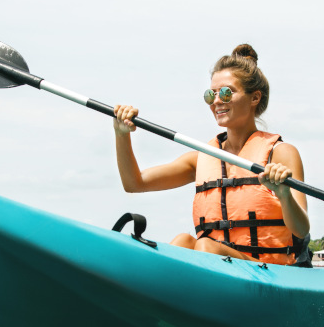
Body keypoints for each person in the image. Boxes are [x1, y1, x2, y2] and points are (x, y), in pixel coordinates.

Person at [112, 44, 310, 265]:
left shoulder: (280, 153)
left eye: (226, 93)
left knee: (205, 246)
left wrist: (284, 195)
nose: (216, 101)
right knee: (183, 242)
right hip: (218, 267)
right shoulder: (202, 157)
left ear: (254, 98)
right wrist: (121, 134)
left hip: (271, 272)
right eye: (211, 94)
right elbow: (134, 183)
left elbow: (301, 230)